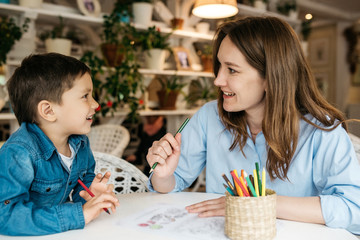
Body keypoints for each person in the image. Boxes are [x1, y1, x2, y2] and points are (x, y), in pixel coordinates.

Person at [146, 16, 360, 234]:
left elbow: (354, 209)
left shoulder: (321, 131)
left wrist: (259, 203)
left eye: (232, 69)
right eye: (220, 66)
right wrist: (163, 175)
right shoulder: (209, 117)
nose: (218, 80)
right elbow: (172, 185)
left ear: (271, 77)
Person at [0, 53, 120, 236]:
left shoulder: (80, 143)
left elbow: (83, 180)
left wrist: (89, 192)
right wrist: (79, 215)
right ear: (48, 111)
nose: (95, 104)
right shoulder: (19, 153)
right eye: (85, 96)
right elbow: (5, 215)